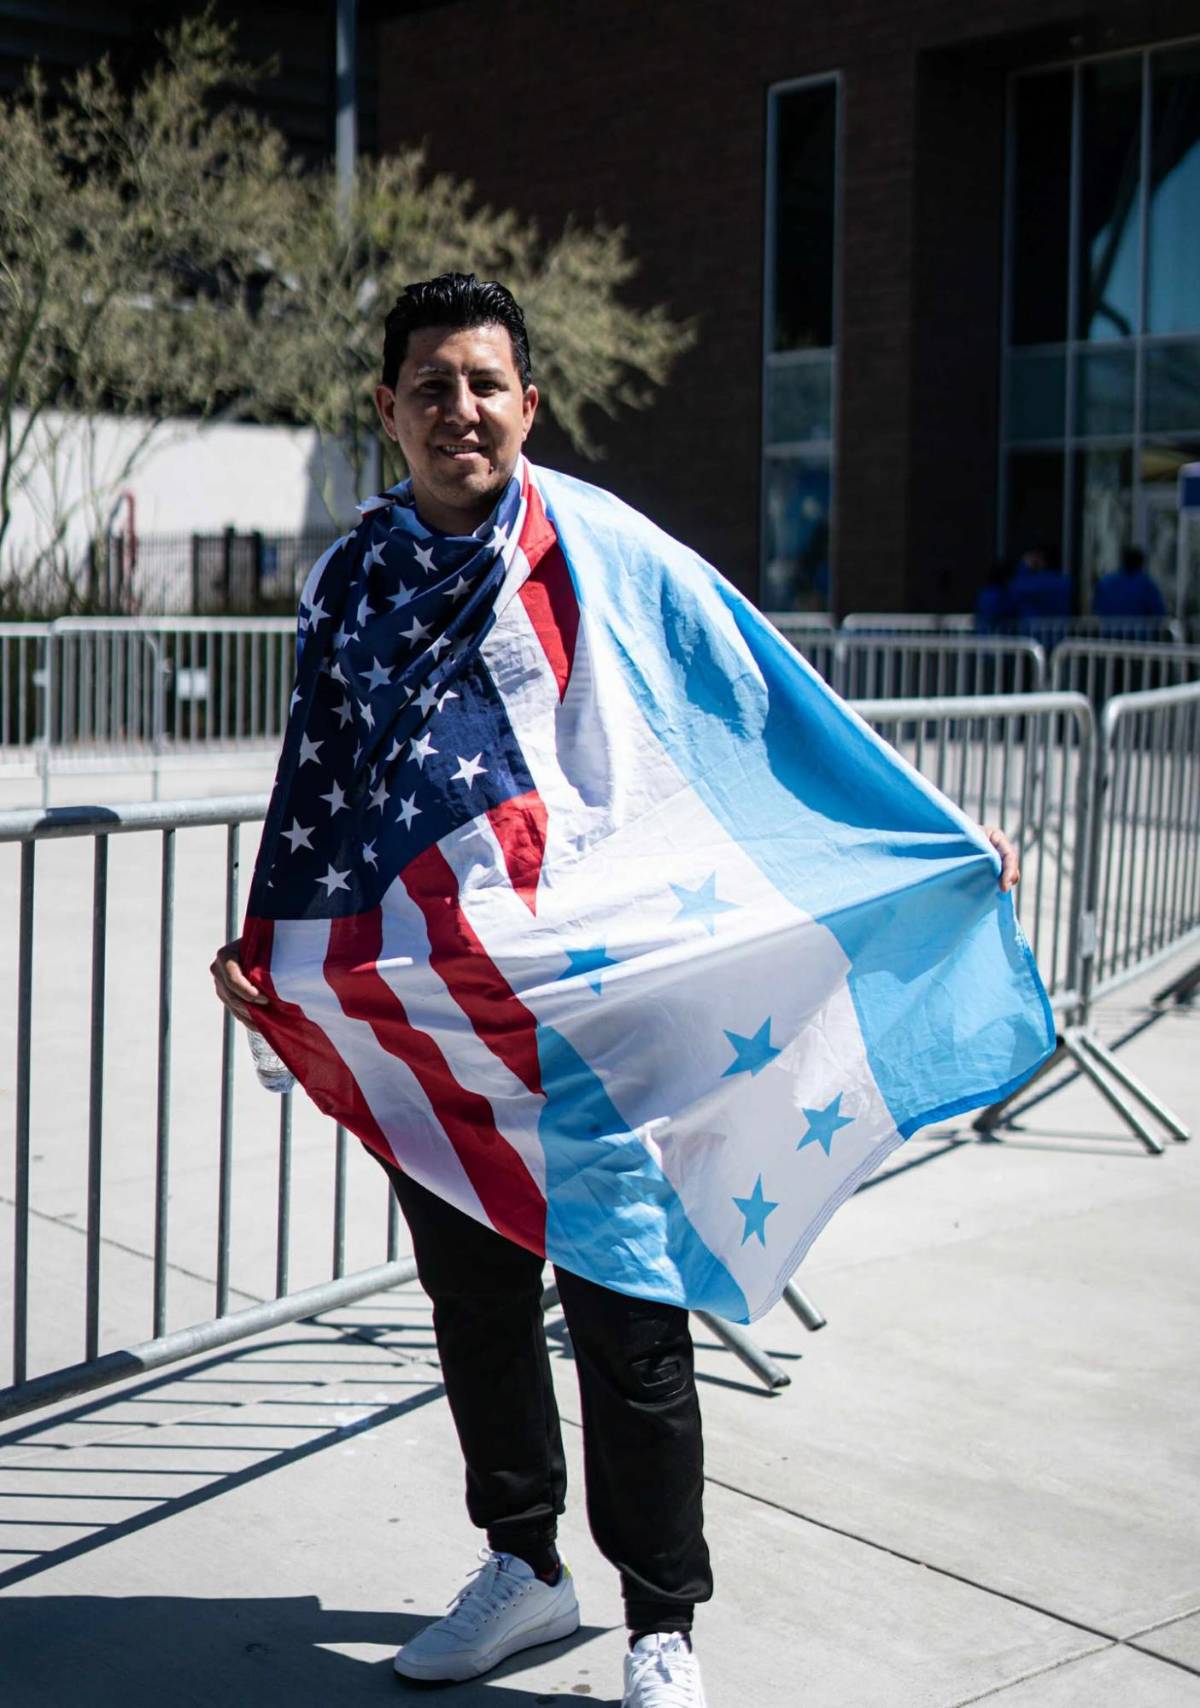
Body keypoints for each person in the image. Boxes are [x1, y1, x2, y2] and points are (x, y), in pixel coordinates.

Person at [211, 273, 1024, 1707]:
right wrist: (273, 935)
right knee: (473, 1306)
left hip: (607, 1013)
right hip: (441, 1011)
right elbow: (318, 785)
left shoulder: (603, 551)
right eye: (428, 383)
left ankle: (664, 1622)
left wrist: (927, 821)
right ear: (385, 408)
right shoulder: (350, 584)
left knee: (628, 1319)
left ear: (528, 401)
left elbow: (763, 696)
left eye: (483, 382)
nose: (457, 407)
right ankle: (522, 1566)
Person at [1092, 544, 1168, 621]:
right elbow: (1159, 612)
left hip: (1108, 631)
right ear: (1141, 563)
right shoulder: (1147, 585)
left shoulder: (1105, 582)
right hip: (1140, 631)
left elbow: (1097, 608)